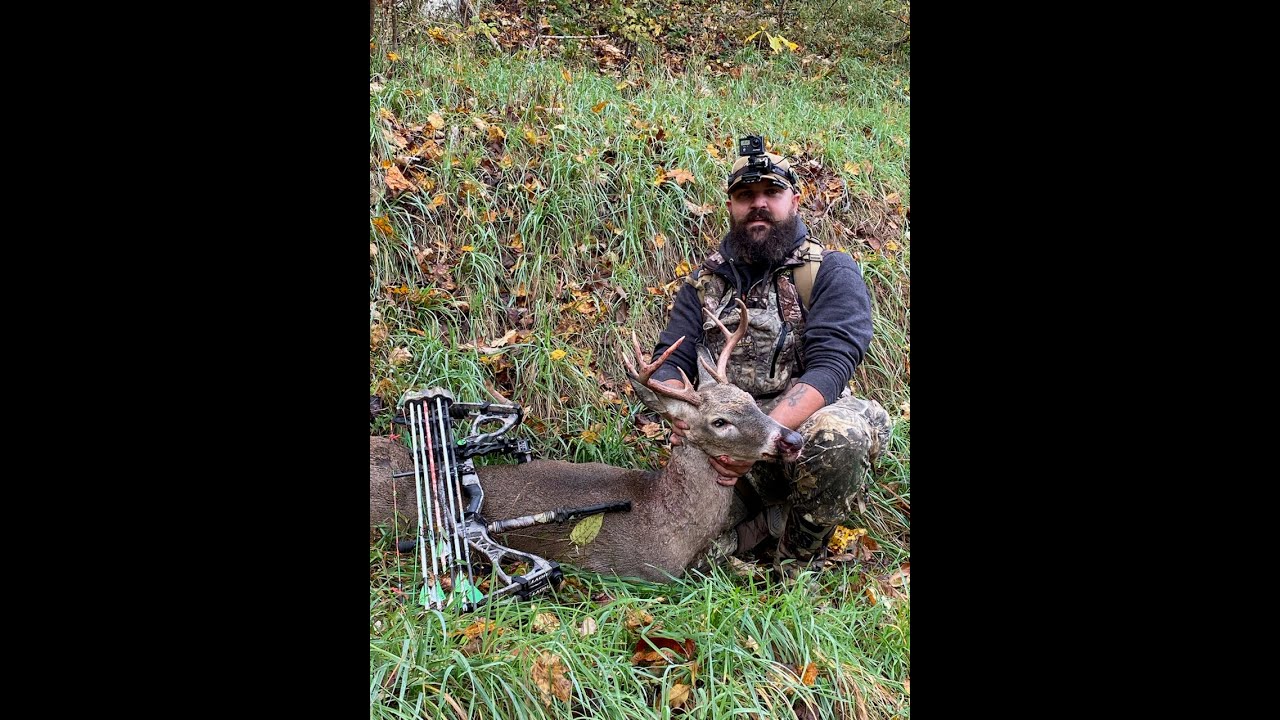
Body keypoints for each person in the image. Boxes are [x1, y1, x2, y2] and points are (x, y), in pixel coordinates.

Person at [647, 136, 892, 575]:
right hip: (731, 432)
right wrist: (680, 411)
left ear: (794, 200)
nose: (758, 204)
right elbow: (672, 355)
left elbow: (831, 367)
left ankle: (797, 563)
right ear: (731, 206)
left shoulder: (829, 270)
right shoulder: (704, 283)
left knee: (839, 437)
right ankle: (761, 526)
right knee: (679, 553)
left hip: (803, 428)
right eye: (745, 195)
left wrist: (758, 436)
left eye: (771, 193)